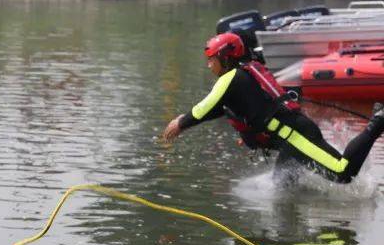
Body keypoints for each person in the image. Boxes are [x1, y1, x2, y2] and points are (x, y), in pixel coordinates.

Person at [162, 32, 384, 184]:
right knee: (283, 188)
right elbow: (223, 109)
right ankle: (285, 244)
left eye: (212, 59)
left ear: (225, 57)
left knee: (342, 172)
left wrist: (181, 123)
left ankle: (377, 123)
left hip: (295, 136)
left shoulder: (231, 78)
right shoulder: (242, 76)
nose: (209, 64)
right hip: (288, 139)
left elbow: (204, 108)